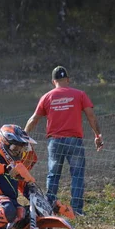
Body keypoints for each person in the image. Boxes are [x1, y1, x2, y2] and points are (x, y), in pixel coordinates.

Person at [25, 66, 104, 216]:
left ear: (53, 81)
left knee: (53, 175)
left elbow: (34, 118)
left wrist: (24, 136)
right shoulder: (80, 94)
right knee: (77, 175)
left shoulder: (47, 97)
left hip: (55, 142)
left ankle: (48, 207)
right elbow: (91, 116)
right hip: (74, 141)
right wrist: (97, 135)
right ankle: (77, 210)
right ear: (68, 79)